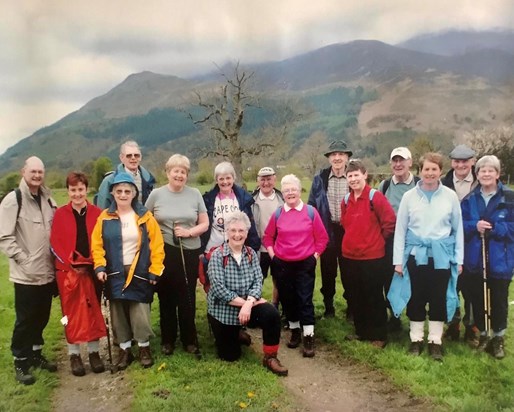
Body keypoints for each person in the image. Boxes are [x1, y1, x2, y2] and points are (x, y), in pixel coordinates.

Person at [389, 152, 464, 361]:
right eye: (426, 169)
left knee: (438, 298)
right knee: (416, 298)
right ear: (419, 171)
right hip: (415, 255)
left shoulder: (450, 196)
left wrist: (459, 260)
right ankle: (415, 339)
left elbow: (458, 231)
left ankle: (435, 341)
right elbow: (401, 231)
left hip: (441, 257)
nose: (430, 173)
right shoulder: (409, 197)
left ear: (440, 171)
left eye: (434, 169)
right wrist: (398, 261)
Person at [92, 172, 164, 369]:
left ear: (134, 193)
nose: (123, 195)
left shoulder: (145, 217)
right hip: (114, 271)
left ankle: (143, 347)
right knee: (118, 312)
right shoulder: (104, 218)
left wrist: (155, 269)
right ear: (113, 193)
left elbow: (157, 245)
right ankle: (125, 350)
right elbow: (97, 246)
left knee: (139, 310)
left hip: (139, 270)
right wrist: (99, 267)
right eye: (119, 191)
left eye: (127, 191)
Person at [207, 212, 288, 376]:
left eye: (241, 231)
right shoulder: (217, 255)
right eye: (233, 230)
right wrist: (246, 304)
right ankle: (236, 332)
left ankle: (270, 357)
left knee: (271, 314)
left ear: (247, 232)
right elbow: (218, 289)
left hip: (248, 306)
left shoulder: (251, 253)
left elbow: (258, 281)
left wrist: (250, 302)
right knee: (230, 356)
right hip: (224, 311)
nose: (237, 235)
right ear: (227, 232)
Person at [0, 156, 58, 385]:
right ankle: (21, 361)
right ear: (24, 172)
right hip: (26, 274)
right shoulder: (13, 200)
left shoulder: (48, 199)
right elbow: (4, 236)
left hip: (47, 271)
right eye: (33, 171)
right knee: (25, 319)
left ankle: (36, 353)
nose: (36, 175)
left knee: (42, 316)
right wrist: (23, 259)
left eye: (40, 172)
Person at [145, 154, 208, 357]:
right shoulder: (156, 195)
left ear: (187, 174)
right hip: (164, 252)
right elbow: (145, 221)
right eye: (176, 171)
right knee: (166, 296)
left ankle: (189, 339)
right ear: (168, 172)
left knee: (187, 295)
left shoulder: (195, 194)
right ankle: (168, 339)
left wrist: (189, 232)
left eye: (183, 171)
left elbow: (205, 223)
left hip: (189, 251)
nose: (179, 175)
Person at [264, 174, 328, 357]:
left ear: (300, 191)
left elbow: (322, 239)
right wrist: (273, 256)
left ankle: (308, 336)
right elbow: (268, 237)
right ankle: (294, 331)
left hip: (305, 263)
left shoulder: (310, 212)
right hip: (282, 263)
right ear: (282, 193)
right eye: (286, 190)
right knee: (288, 299)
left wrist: (314, 256)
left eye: (293, 189)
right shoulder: (278, 213)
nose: (290, 193)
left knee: (304, 300)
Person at [50, 172, 106, 376]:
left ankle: (93, 352)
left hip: (91, 271)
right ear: (68, 191)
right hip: (68, 272)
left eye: (80, 189)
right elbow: (55, 243)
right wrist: (71, 262)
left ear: (86, 190)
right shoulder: (60, 214)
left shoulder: (97, 213)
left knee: (93, 309)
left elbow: (102, 240)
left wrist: (92, 263)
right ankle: (73, 353)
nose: (77, 194)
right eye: (73, 190)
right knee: (68, 314)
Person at [460, 155, 514, 359]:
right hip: (476, 259)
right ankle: (484, 334)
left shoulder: (509, 198)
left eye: (490, 170)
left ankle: (498, 338)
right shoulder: (470, 199)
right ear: (477, 174)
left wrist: (494, 229)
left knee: (499, 300)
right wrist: (474, 226)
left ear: (498, 174)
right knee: (478, 299)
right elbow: (461, 225)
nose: (486, 174)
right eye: (482, 171)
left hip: (501, 260)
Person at [341, 160, 396, 347]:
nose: (353, 179)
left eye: (357, 175)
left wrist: (377, 240)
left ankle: (379, 335)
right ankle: (361, 331)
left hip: (373, 257)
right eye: (350, 176)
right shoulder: (346, 200)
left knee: (373, 296)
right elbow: (346, 224)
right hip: (350, 257)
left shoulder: (376, 197)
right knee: (355, 296)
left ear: (365, 175)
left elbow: (390, 222)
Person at [308, 140, 352, 318]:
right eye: (333, 155)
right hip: (327, 230)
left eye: (341, 154)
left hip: (349, 231)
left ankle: (352, 307)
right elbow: (311, 205)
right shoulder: (320, 178)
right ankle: (328, 307)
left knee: (349, 270)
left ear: (347, 157)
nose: (337, 158)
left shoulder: (353, 176)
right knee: (328, 271)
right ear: (329, 159)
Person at [378, 147, 420, 332]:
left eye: (401, 160)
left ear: (410, 162)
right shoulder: (384, 186)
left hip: (414, 240)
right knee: (389, 277)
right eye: (394, 161)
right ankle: (393, 316)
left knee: (414, 278)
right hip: (391, 238)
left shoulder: (419, 184)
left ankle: (414, 318)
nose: (398, 164)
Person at [441, 144, 479, 343]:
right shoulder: (444, 184)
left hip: (474, 244)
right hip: (449, 243)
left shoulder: (480, 183)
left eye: (465, 161)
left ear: (473, 162)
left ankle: (472, 328)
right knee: (451, 285)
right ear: (452, 163)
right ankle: (452, 325)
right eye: (457, 161)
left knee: (472, 288)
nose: (461, 165)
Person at [201, 161, 260, 253]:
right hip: (212, 249)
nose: (225, 182)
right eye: (221, 179)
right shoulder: (208, 200)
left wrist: (253, 246)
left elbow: (249, 225)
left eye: (228, 178)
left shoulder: (243, 199)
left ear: (233, 178)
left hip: (237, 249)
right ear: (216, 180)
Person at [251, 166, 284, 308]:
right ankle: (256, 308)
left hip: (278, 249)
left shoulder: (282, 200)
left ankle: (275, 306)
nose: (266, 183)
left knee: (279, 280)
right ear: (258, 181)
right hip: (258, 249)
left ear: (274, 180)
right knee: (257, 280)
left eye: (269, 179)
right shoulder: (251, 201)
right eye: (262, 179)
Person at [95, 140, 156, 209]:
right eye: (129, 155)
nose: (133, 158)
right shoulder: (109, 181)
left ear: (140, 157)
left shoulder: (149, 180)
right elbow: (102, 208)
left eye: (136, 155)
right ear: (121, 158)